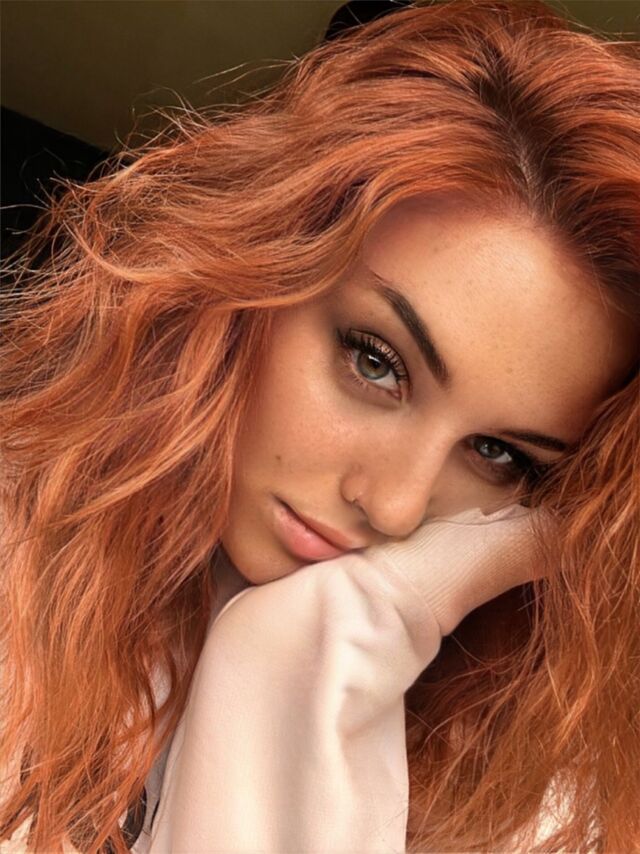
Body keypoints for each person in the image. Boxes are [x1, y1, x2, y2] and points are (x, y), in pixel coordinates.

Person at [0, 0, 638, 851]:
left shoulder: (535, 792)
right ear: (243, 279)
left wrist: (303, 671)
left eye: (499, 454)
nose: (396, 506)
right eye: (375, 362)